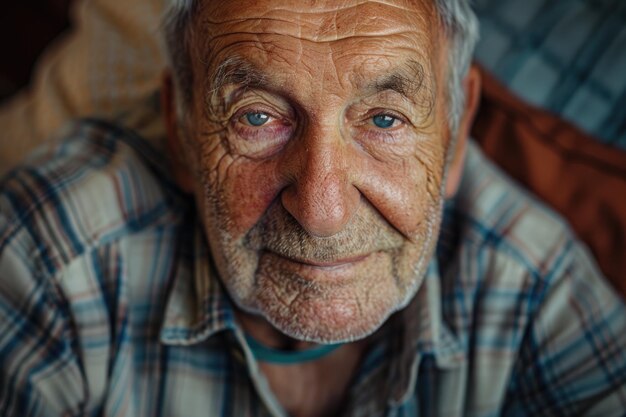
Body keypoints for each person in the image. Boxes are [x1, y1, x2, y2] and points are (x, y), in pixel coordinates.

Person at [0, 0, 625, 416]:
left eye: (384, 119)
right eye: (257, 116)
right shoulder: (50, 258)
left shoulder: (531, 284)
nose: (322, 210)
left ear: (456, 136)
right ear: (184, 129)